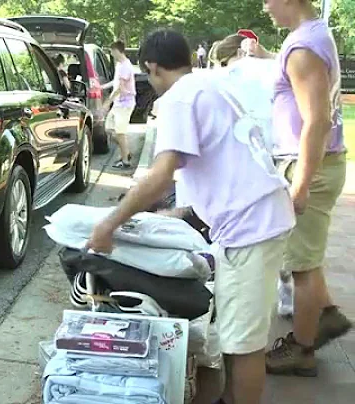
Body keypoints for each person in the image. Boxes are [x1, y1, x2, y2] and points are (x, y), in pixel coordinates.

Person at [87, 29, 295, 404]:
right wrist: (176, 213)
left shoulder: (179, 99)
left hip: (252, 227)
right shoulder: (207, 84)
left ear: (151, 67)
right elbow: (216, 163)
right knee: (234, 333)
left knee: (244, 343)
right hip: (254, 219)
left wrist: (109, 223)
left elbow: (162, 172)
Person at [252, 0, 351, 377]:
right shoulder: (310, 36)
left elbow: (317, 120)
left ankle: (302, 350)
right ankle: (325, 315)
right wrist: (267, 54)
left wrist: (301, 185)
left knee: (302, 266)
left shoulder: (303, 47)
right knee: (307, 254)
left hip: (308, 165)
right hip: (318, 163)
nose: (265, 7)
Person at [102, 40, 136, 168]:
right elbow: (116, 82)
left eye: (111, 51)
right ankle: (125, 151)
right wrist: (103, 86)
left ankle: (125, 160)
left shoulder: (126, 66)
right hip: (118, 104)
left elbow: (120, 88)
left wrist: (107, 102)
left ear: (116, 50)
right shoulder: (119, 65)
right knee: (109, 128)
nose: (111, 54)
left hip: (124, 104)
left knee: (120, 132)